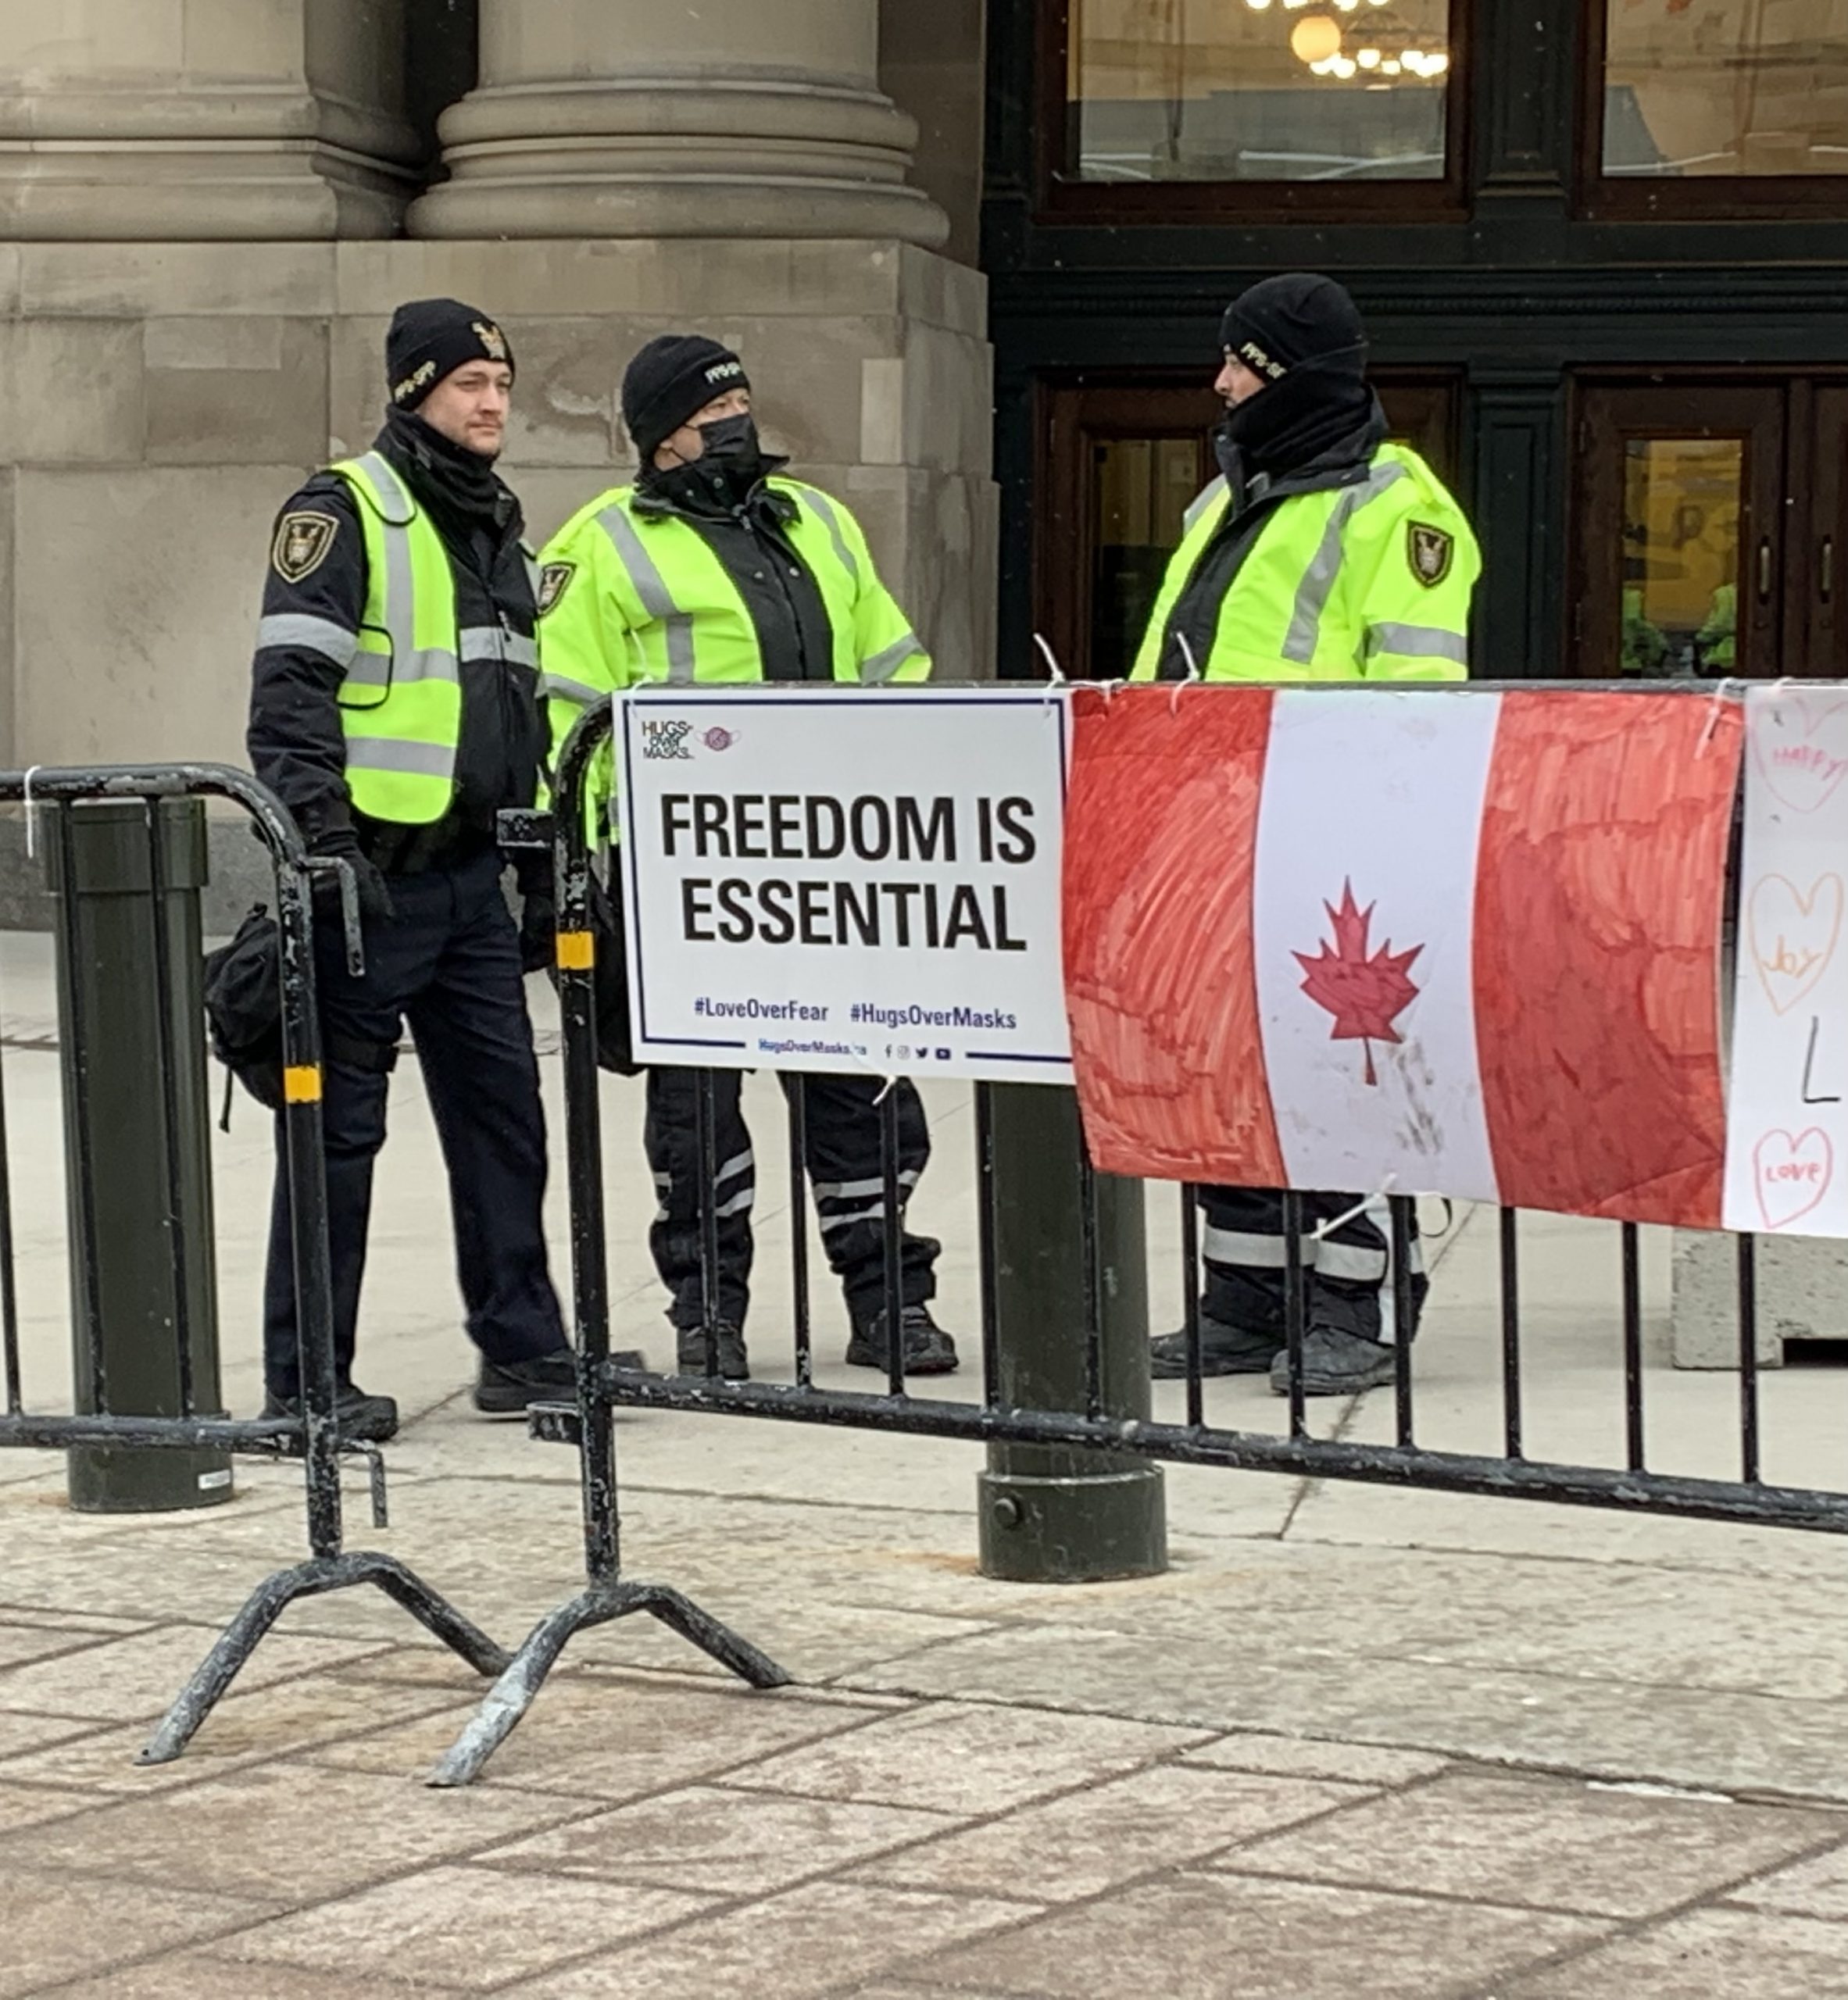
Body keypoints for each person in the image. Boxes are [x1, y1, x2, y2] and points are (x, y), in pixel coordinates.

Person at [537, 333, 960, 1384]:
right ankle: (708, 1315)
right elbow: (567, 722)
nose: (733, 426)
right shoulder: (597, 546)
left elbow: (893, 663)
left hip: (831, 871)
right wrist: (589, 874)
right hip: (687, 884)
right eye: (707, 414)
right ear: (656, 436)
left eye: (740, 405)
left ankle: (887, 1302)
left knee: (863, 1098)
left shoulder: (818, 520)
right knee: (694, 1118)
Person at [248, 298, 620, 1442]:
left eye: (502, 381)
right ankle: (308, 1381)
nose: (494, 402)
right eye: (469, 384)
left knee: (504, 1119)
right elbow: (290, 695)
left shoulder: (495, 524)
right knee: (337, 1134)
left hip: (467, 882)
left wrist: (536, 844)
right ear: (415, 392)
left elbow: (511, 708)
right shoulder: (344, 510)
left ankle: (524, 1351)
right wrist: (322, 845)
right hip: (370, 875)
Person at [1132, 273, 1480, 1396]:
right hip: (1205, 841)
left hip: (1331, 856)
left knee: (1343, 1083)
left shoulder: (1398, 505)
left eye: (1241, 364)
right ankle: (1245, 1299)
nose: (1221, 383)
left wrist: (1379, 850)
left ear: (1289, 379)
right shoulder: (1230, 496)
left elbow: (1417, 699)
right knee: (1223, 1079)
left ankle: (1356, 1305)